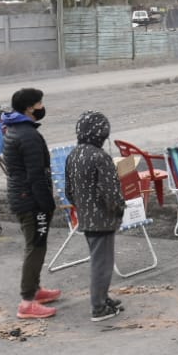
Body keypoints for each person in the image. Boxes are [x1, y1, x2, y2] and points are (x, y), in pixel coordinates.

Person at [1, 87, 61, 320]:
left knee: (37, 244)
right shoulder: (28, 135)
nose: (42, 107)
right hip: (31, 200)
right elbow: (36, 175)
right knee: (35, 246)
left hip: (23, 196)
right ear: (29, 107)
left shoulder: (16, 129)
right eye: (39, 103)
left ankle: (36, 290)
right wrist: (47, 203)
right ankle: (27, 301)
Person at [64, 111, 128, 323]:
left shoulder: (73, 155)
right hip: (103, 220)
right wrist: (119, 209)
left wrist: (83, 208)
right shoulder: (101, 157)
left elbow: (69, 191)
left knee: (98, 261)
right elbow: (111, 193)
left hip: (86, 218)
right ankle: (98, 308)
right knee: (102, 264)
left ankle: (103, 298)